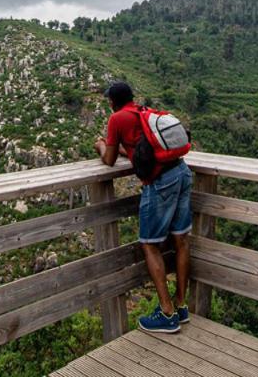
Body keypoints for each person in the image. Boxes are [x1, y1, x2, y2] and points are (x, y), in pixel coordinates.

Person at [94, 81, 193, 334]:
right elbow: (143, 149)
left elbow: (109, 159)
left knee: (150, 244)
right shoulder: (142, 112)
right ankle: (181, 306)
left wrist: (100, 145)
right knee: (181, 240)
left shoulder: (116, 118)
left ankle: (167, 313)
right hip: (181, 172)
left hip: (160, 182)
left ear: (111, 102)